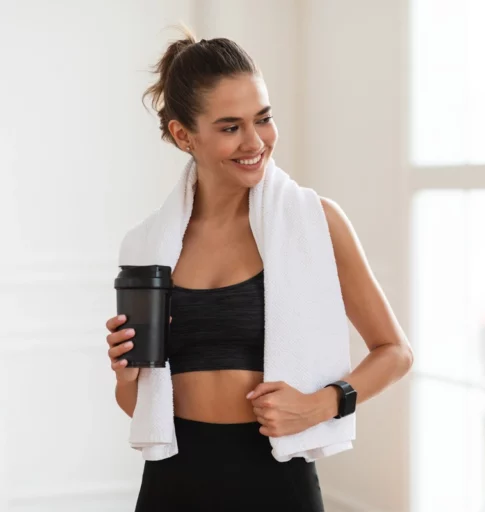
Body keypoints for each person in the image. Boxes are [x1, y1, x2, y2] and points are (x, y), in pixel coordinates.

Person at [103, 26, 413, 511]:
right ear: (183, 134)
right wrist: (125, 377)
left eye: (263, 119)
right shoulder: (150, 244)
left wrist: (323, 404)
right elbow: (141, 409)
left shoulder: (317, 222)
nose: (256, 141)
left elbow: (395, 351)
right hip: (173, 480)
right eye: (230, 127)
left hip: (274, 480)